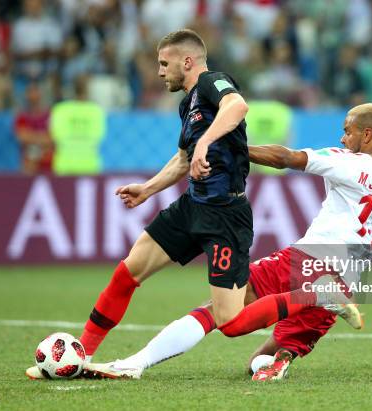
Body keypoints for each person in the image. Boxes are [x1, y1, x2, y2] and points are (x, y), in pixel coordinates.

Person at [80, 103, 372, 382]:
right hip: (344, 276)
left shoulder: (345, 163)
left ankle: (134, 363)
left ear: (368, 136)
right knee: (260, 359)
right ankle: (276, 359)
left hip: (301, 259)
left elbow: (285, 158)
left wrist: (231, 146)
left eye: (349, 131)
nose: (343, 137)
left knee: (217, 313)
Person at [26, 28, 255, 379]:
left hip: (226, 215)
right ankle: (81, 356)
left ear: (188, 61)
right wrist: (148, 189)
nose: (160, 71)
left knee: (230, 321)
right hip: (192, 207)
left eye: (165, 63)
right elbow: (182, 159)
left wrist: (207, 141)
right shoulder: (187, 105)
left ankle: (307, 300)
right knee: (127, 273)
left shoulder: (213, 82)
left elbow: (237, 105)